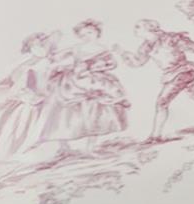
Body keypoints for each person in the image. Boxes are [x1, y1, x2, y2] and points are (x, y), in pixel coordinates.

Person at [33, 20, 129, 153]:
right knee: (66, 111)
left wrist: (99, 67)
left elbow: (112, 64)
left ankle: (90, 147)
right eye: (82, 35)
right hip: (74, 81)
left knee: (96, 111)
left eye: (89, 32)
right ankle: (64, 146)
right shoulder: (76, 48)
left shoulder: (103, 48)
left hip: (97, 81)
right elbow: (56, 58)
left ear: (97, 33)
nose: (86, 36)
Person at [124, 19, 194, 141]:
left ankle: (155, 136)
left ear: (149, 28)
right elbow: (138, 62)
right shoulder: (146, 46)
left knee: (161, 103)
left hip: (182, 71)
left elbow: (190, 46)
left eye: (138, 27)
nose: (135, 29)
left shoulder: (170, 38)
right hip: (174, 74)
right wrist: (123, 53)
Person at [0, 31, 56, 158]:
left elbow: (41, 87)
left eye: (40, 46)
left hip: (34, 101)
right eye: (33, 46)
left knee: (21, 125)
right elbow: (11, 78)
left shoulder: (45, 63)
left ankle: (21, 152)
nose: (36, 49)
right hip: (20, 98)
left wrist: (35, 94)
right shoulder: (26, 61)